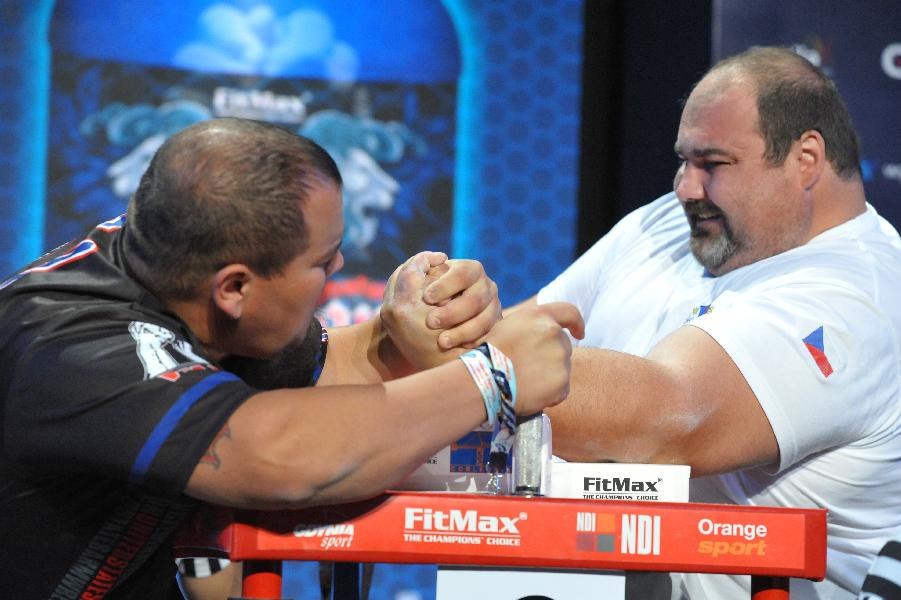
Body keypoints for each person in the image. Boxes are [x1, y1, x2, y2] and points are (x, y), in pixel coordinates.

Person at [0, 117, 582, 598]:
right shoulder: (75, 350)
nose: (337, 271)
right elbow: (276, 453)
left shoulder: (180, 267)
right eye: (322, 262)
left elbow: (324, 377)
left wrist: (398, 330)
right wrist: (493, 375)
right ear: (234, 288)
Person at [512, 46, 901, 599]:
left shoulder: (856, 297)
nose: (685, 188)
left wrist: (464, 368)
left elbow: (659, 423)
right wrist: (450, 331)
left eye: (713, 165)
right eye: (684, 161)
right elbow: (525, 329)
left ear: (806, 159)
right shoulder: (669, 224)